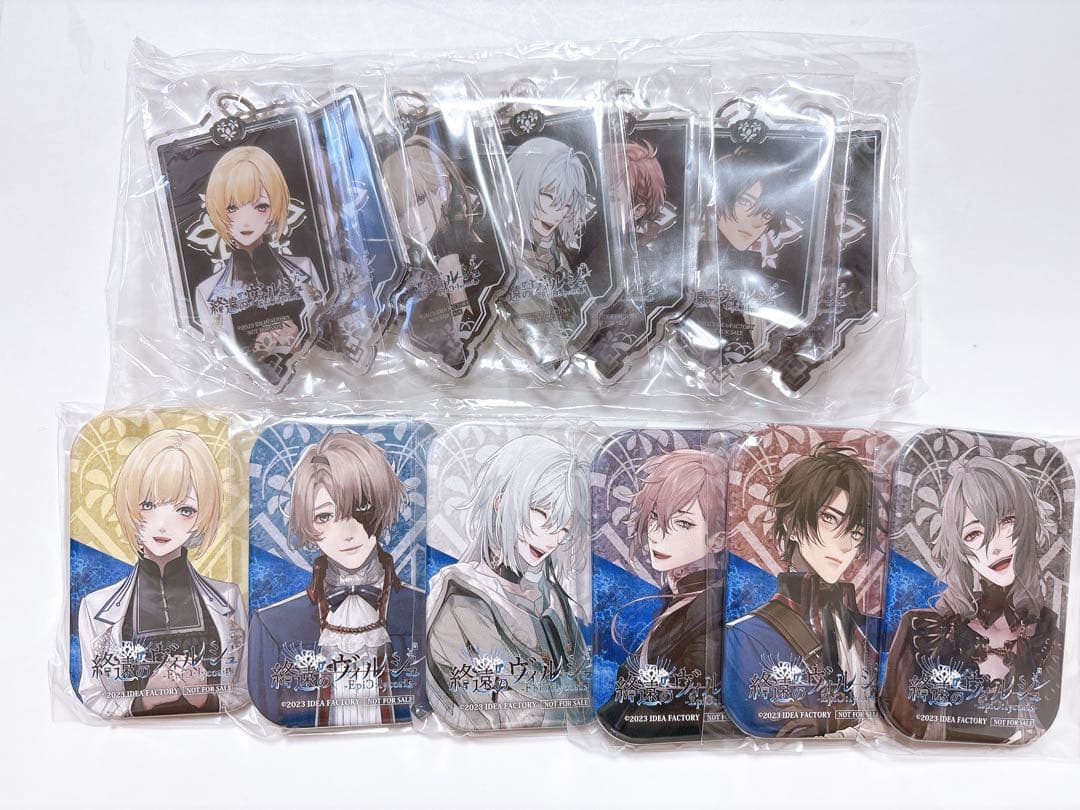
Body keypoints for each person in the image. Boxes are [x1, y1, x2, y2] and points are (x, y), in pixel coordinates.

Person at [246, 431, 425, 728]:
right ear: (306, 521)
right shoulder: (273, 626)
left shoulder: (422, 612)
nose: (347, 533)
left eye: (360, 509)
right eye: (324, 517)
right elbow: (269, 707)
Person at [881, 456, 1063, 744]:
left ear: (1027, 522)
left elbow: (1055, 728)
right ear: (960, 549)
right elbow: (897, 728)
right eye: (974, 533)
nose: (995, 546)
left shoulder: (1048, 636)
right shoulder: (922, 632)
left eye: (1007, 521)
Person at [76, 429, 247, 719]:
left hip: (218, 738)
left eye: (185, 510)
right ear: (128, 506)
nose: (163, 525)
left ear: (203, 515)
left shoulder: (228, 599)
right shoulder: (95, 607)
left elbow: (244, 690)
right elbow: (92, 696)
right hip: (127, 742)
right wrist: (143, 701)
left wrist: (205, 698)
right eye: (148, 505)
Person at [426, 435, 590, 731]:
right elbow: (499, 711)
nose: (551, 538)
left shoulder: (550, 597)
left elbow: (582, 688)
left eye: (564, 528)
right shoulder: (462, 597)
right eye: (541, 513)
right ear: (501, 502)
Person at [723, 443, 878, 737]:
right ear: (792, 525)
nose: (845, 543)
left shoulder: (869, 632)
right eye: (829, 518)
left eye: (856, 531)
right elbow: (775, 728)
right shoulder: (745, 637)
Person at [598, 449, 733, 742]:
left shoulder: (709, 609)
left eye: (683, 523)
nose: (658, 534)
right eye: (655, 517)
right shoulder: (681, 597)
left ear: (718, 539)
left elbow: (695, 706)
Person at [194, 145, 324, 385]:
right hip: (246, 393)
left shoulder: (303, 269)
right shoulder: (207, 291)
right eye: (232, 208)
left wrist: (302, 342)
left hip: (312, 381)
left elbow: (327, 333)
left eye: (260, 207)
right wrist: (254, 353)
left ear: (275, 207)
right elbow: (216, 357)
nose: (247, 221)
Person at [381, 135, 482, 366]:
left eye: (419, 200)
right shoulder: (403, 265)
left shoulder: (456, 252)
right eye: (400, 213)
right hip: (419, 358)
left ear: (442, 191)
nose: (412, 221)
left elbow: (463, 314)